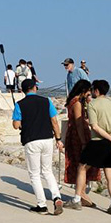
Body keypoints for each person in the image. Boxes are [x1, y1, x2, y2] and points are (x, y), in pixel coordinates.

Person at [12, 78, 64, 215]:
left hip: (31, 141)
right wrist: (58, 138)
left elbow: (16, 125)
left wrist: (22, 122)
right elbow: (54, 121)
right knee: (48, 171)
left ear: (23, 90)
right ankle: (56, 197)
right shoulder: (46, 101)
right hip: (47, 139)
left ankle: (42, 205)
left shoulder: (20, 104)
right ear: (35, 88)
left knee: (34, 174)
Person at [74, 79, 111, 215]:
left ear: (96, 91)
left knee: (82, 168)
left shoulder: (93, 105)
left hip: (98, 141)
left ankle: (77, 199)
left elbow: (94, 126)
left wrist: (108, 138)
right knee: (110, 175)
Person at [63, 79, 100, 189]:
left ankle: (81, 191)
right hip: (78, 135)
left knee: (78, 162)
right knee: (82, 162)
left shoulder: (73, 101)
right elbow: (79, 123)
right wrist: (83, 141)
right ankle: (81, 192)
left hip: (74, 133)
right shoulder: (77, 103)